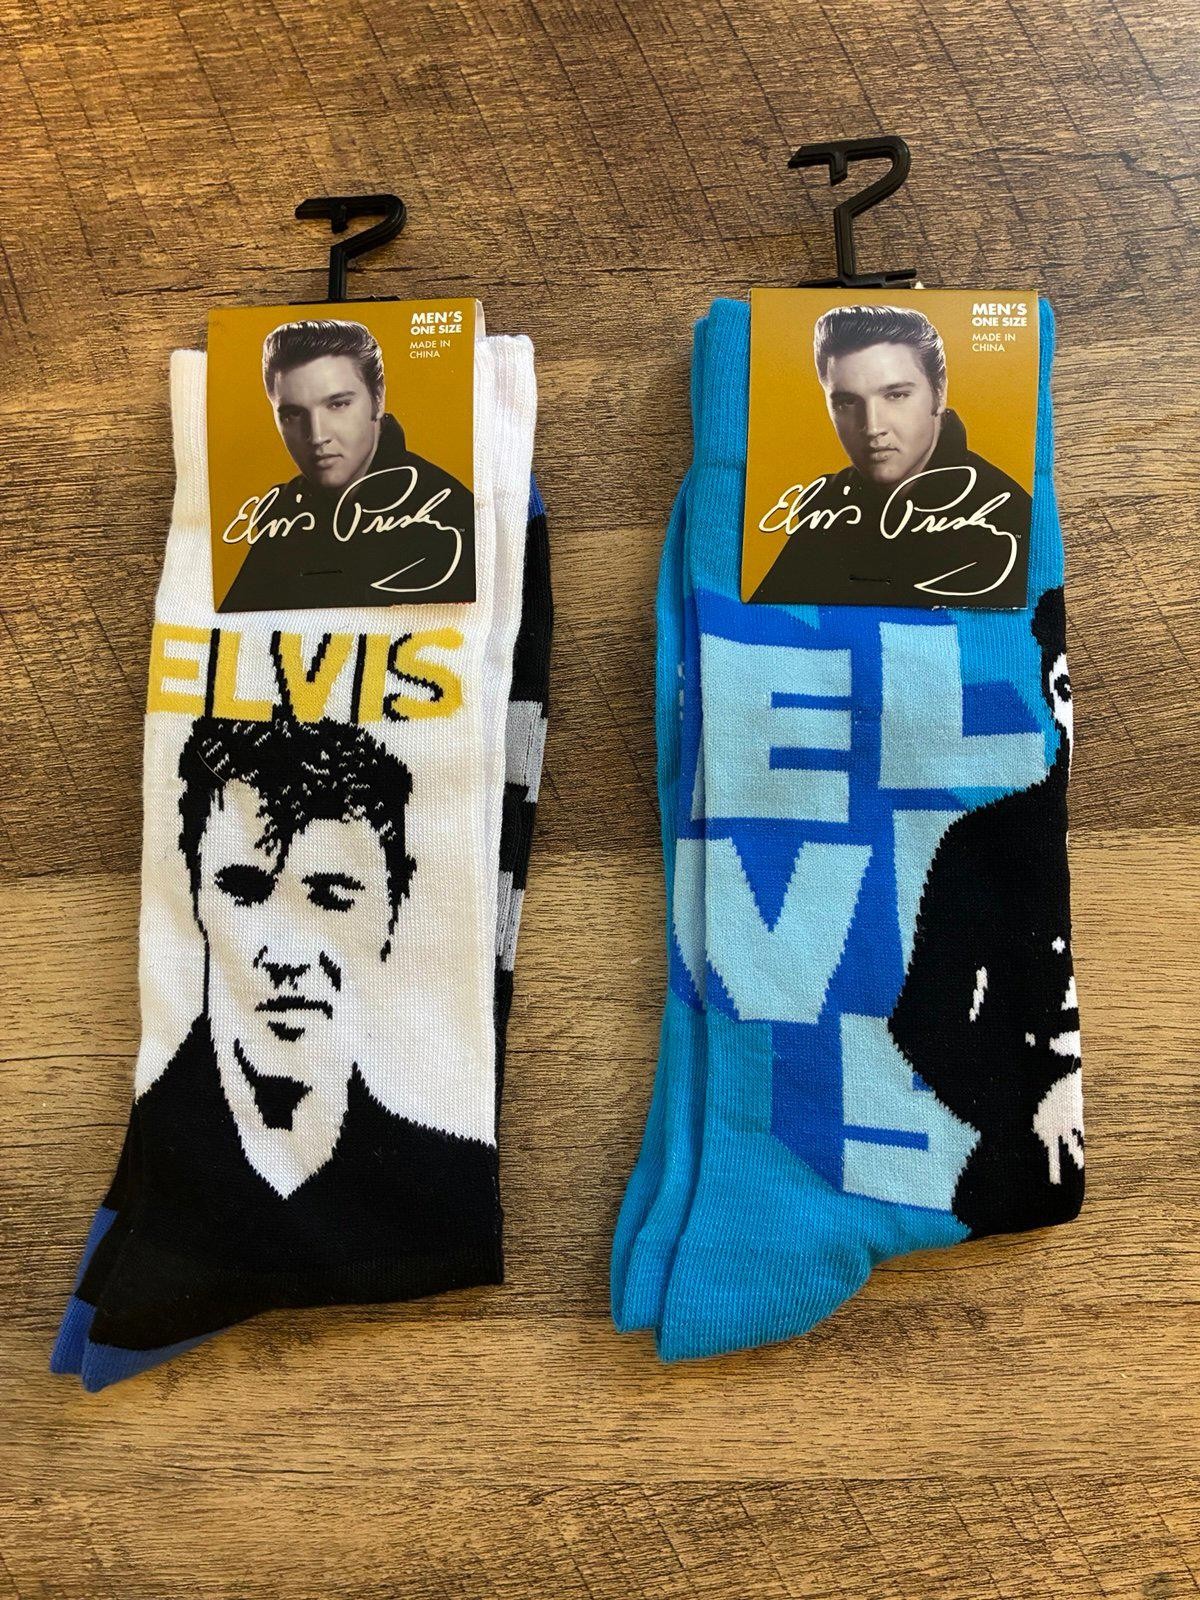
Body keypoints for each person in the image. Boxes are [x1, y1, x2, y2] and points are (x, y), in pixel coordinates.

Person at [87, 714, 500, 1347]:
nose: (283, 952)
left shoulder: (445, 1166)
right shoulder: (439, 1181)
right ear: (192, 889)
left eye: (333, 896)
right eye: (243, 889)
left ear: (395, 907)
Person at [887, 587, 1085, 1236]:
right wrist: (1021, 1106)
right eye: (1057, 686)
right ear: (1049, 690)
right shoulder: (976, 840)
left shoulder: (1012, 836)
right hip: (1011, 1146)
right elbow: (921, 1022)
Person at [752, 303, 1031, 606]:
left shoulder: (1008, 516)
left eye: (896, 395)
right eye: (847, 402)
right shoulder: (828, 500)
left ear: (939, 393)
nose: (873, 427)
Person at [221, 319, 474, 608]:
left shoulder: (450, 513)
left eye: (337, 404)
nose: (317, 436)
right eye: (292, 414)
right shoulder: (283, 510)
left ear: (378, 399)